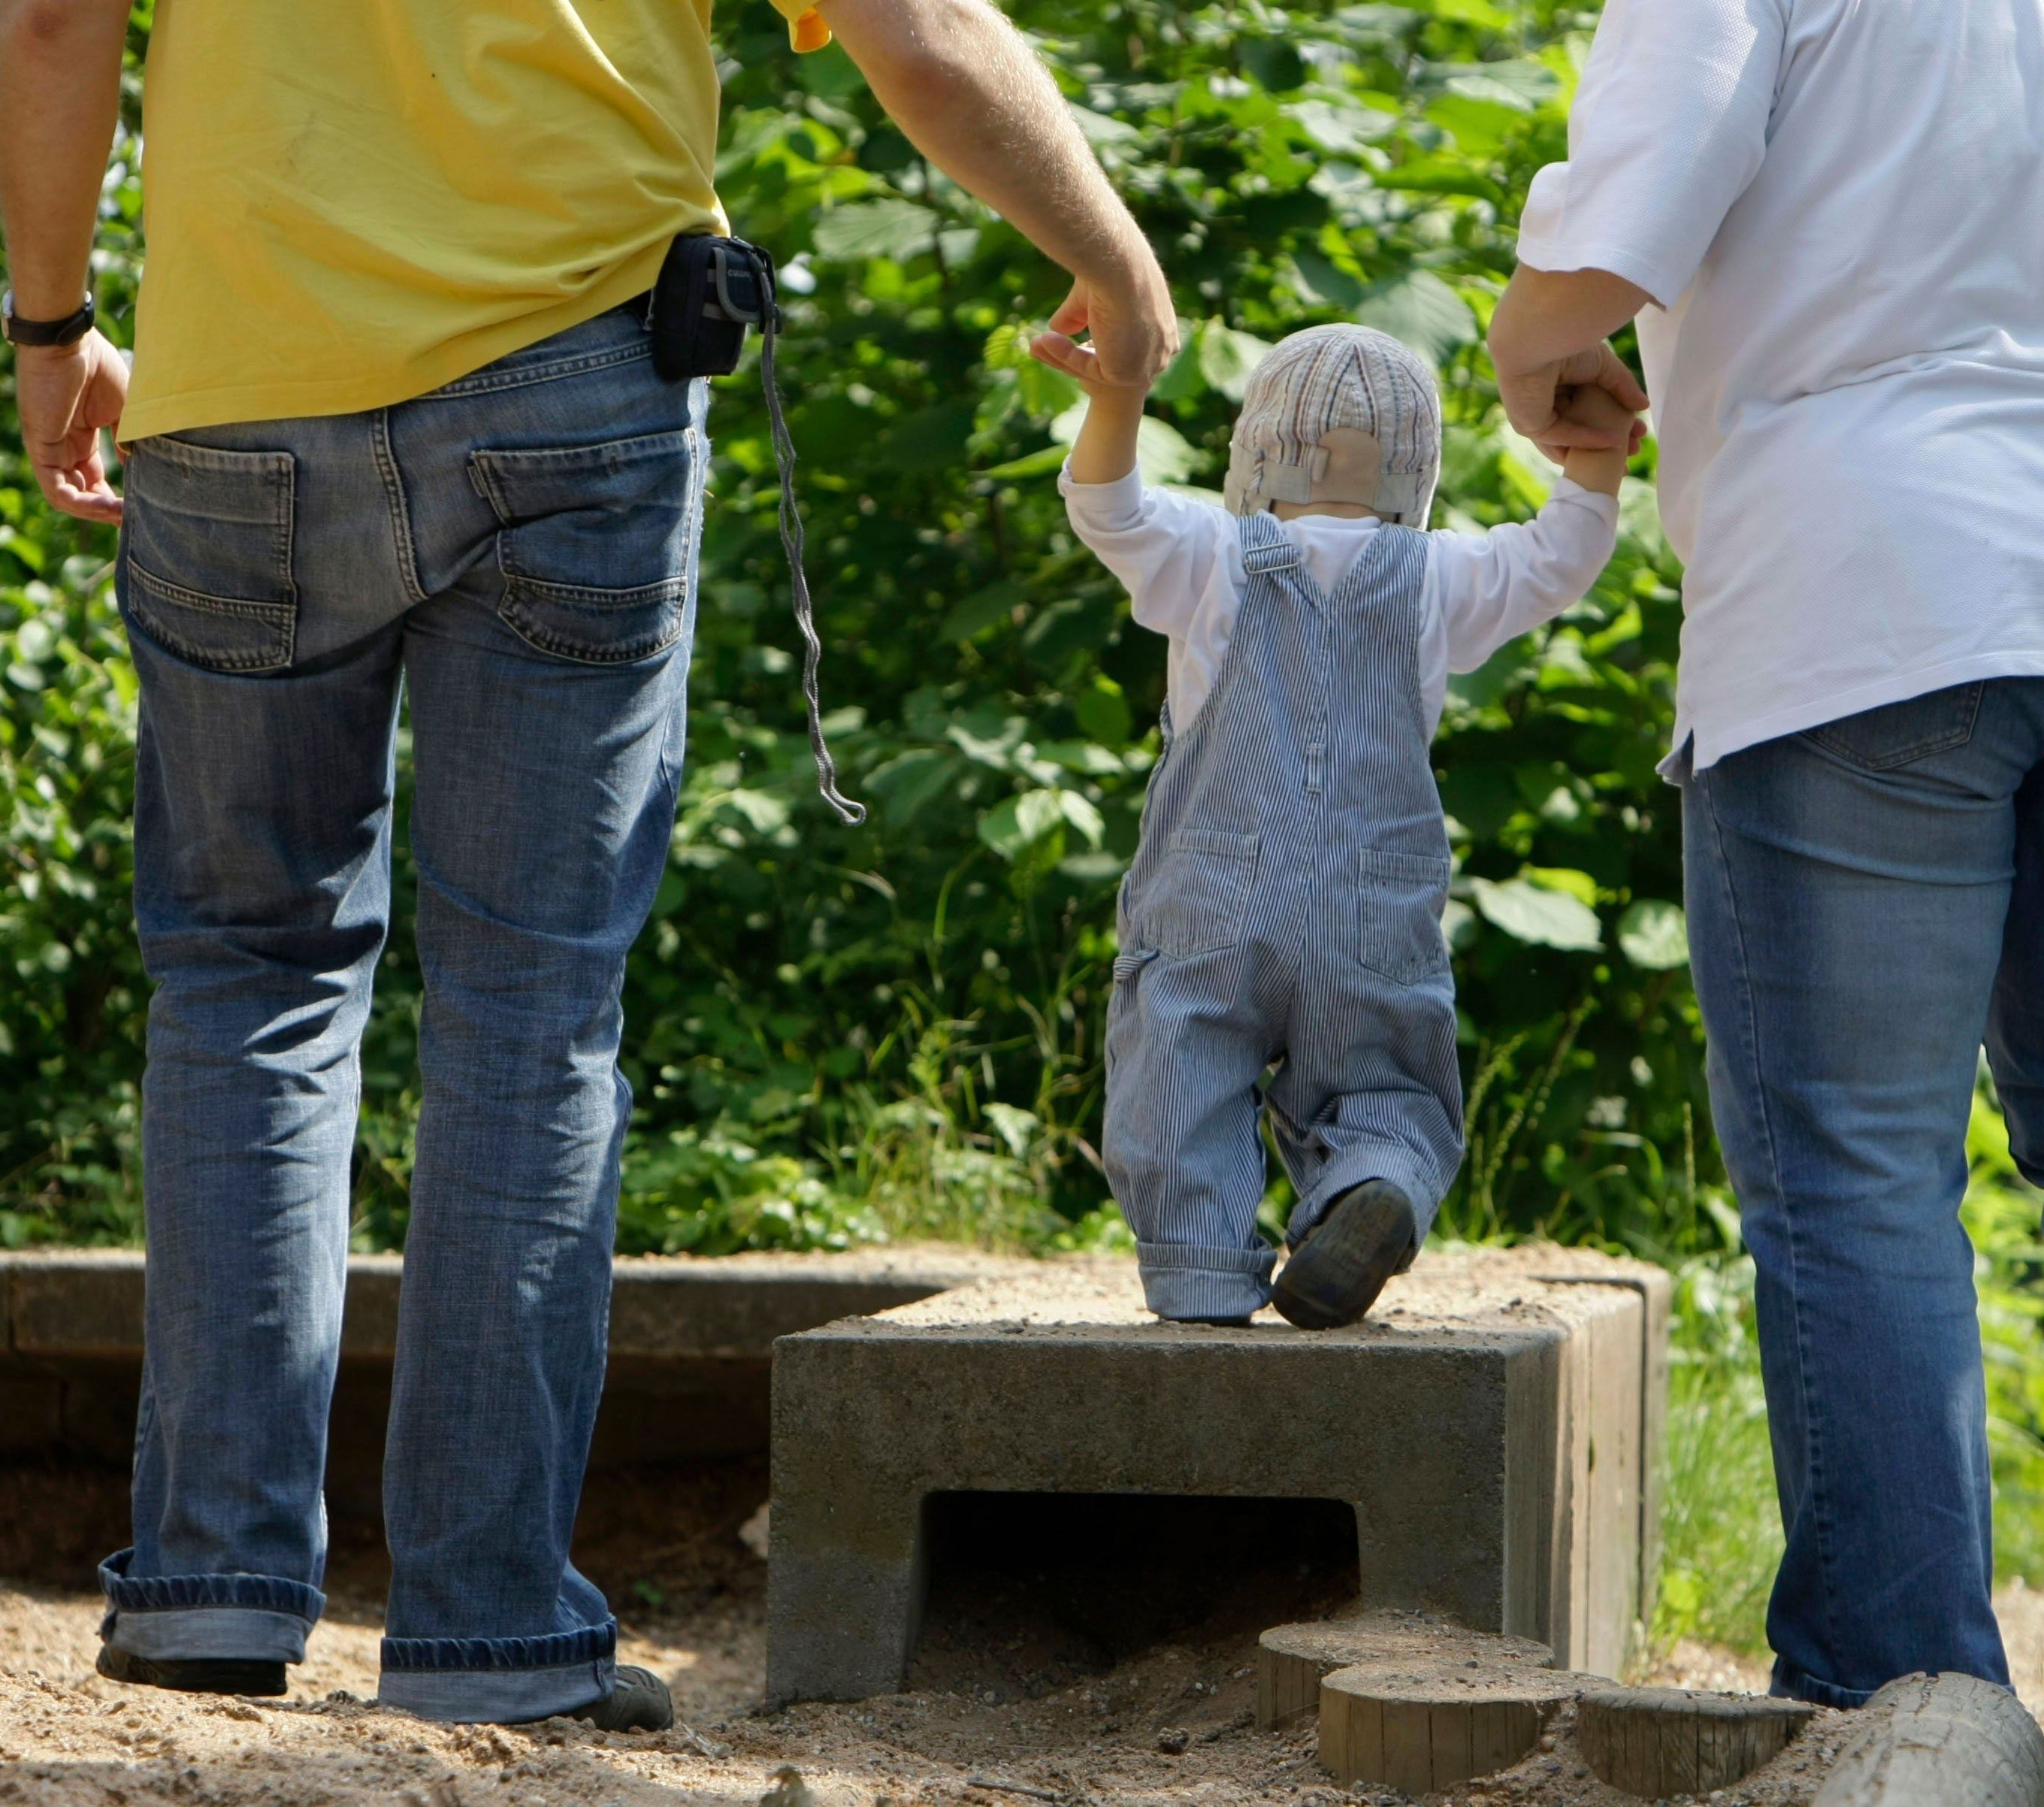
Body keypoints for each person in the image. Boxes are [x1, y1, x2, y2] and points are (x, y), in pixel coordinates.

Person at [0, 0, 1174, 1727]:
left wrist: (51, 322)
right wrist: (1116, 266)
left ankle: (210, 1581)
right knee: (529, 1001)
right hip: (570, 391)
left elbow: (45, 20)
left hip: (235, 392)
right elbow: (913, 34)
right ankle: (485, 1627)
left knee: (247, 973)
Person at [1486, 0, 2044, 1766]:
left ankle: (1897, 1674)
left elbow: (1620, 222)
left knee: (1856, 1159)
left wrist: (1532, 345)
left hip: (1867, 576)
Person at [1042, 320, 1641, 1327]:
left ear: (1252, 454)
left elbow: (1104, 505)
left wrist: (1118, 397)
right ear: (1420, 472)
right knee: (1386, 1077)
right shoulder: (1439, 577)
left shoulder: (1211, 554)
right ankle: (1377, 1183)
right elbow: (1560, 557)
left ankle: (1197, 1268)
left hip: (1215, 894)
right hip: (1375, 898)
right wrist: (1591, 453)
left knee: (1181, 1065)